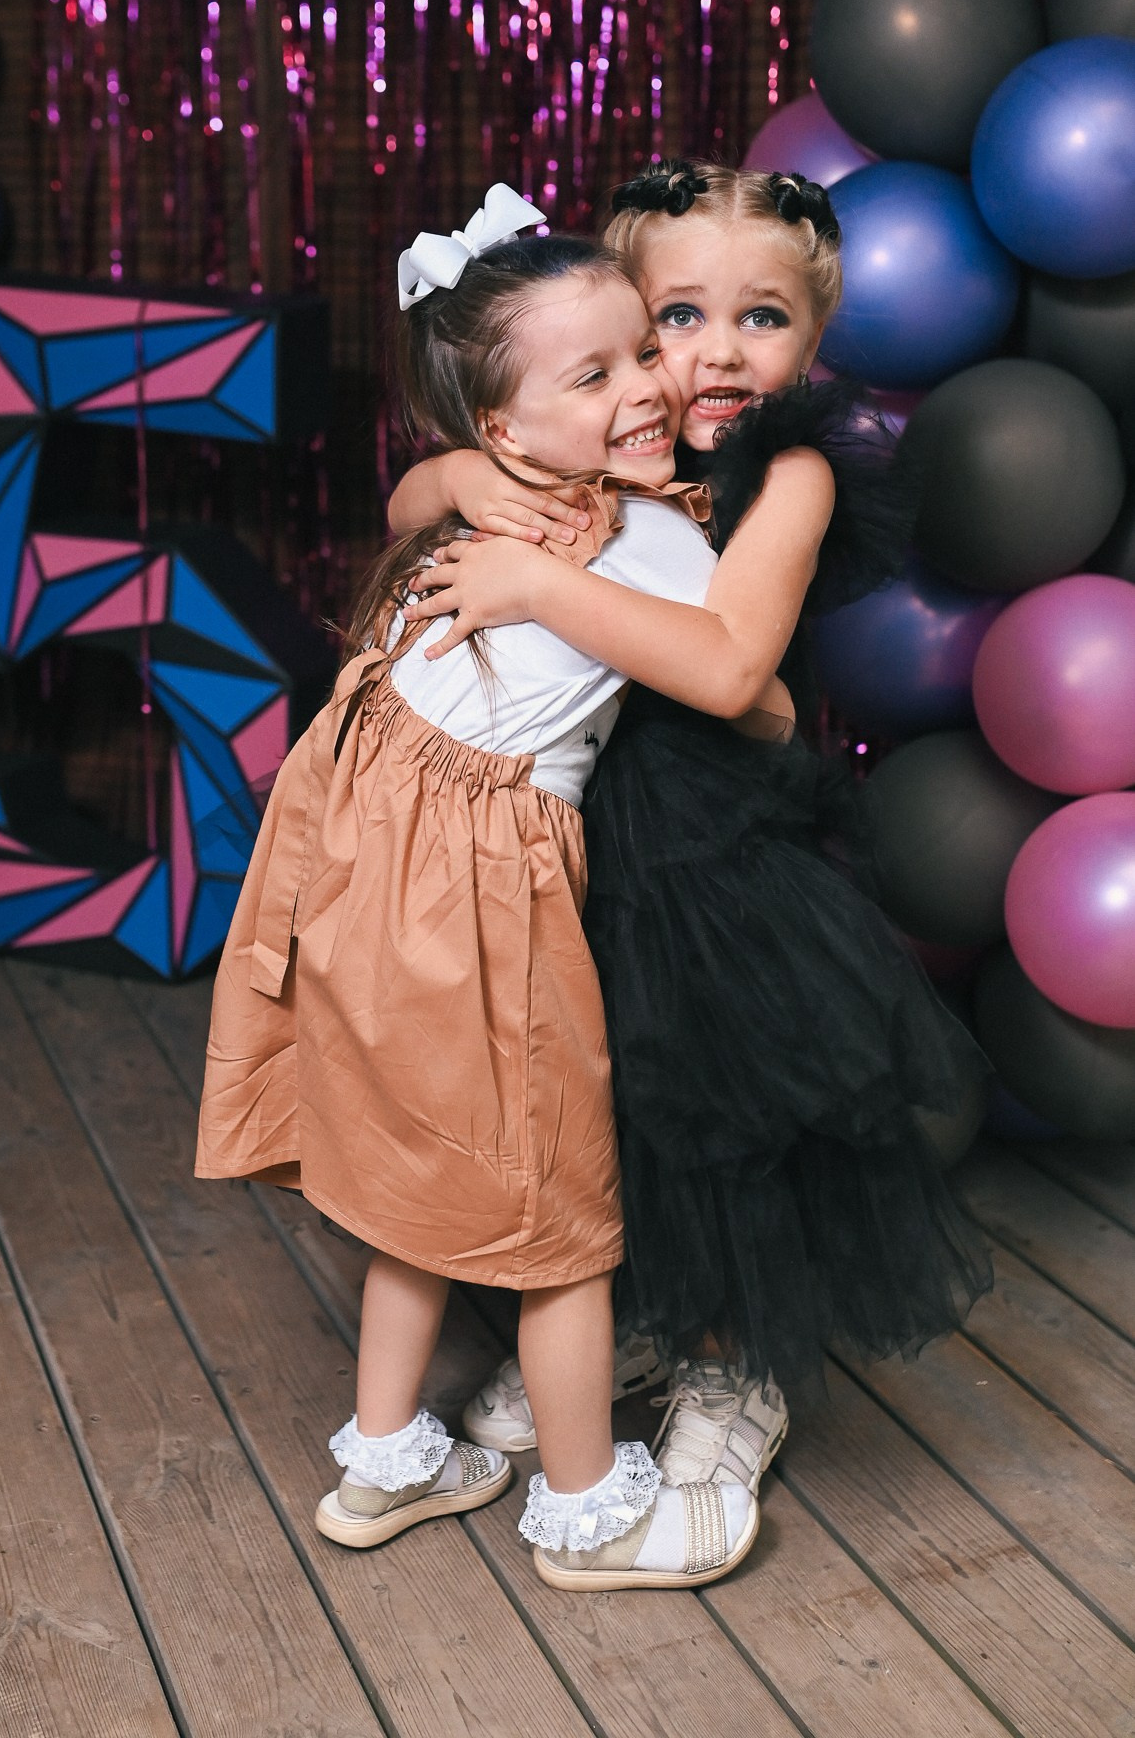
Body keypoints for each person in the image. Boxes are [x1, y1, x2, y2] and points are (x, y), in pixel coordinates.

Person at [394, 158, 992, 1504]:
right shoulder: (595, 432)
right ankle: (640, 1319)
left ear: (815, 341)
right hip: (565, 830)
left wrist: (534, 580)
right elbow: (406, 510)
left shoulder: (792, 474)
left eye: (762, 318)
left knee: (716, 1114)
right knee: (601, 1103)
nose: (716, 354)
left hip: (716, 852)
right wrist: (455, 478)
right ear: (623, 321)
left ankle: (734, 1367)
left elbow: (730, 679)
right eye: (679, 317)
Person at [198, 183, 767, 1592]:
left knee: (423, 1170)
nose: (650, 386)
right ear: (506, 432)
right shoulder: (646, 536)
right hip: (470, 871)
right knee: (549, 1199)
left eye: (645, 350)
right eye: (599, 374)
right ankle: (590, 1515)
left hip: (353, 839)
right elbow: (731, 679)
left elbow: (410, 495)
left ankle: (385, 1461)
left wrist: (453, 479)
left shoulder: (498, 487)